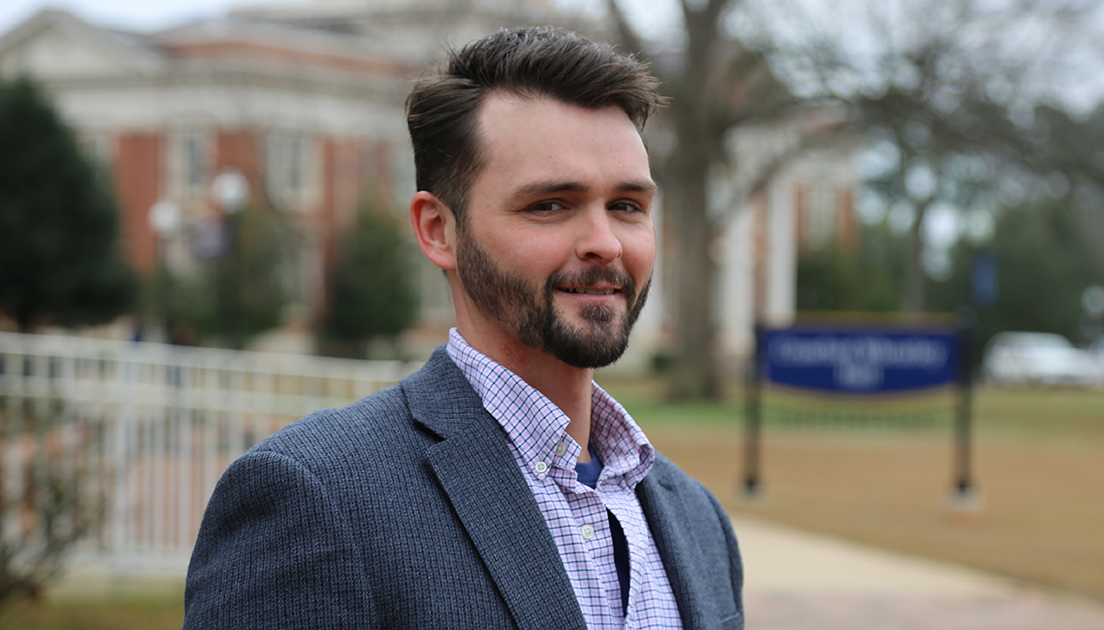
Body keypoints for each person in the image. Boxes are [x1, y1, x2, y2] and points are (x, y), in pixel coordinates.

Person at [183, 27, 743, 630]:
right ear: (437, 230)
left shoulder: (698, 522)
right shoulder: (314, 496)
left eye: (627, 206)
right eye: (550, 204)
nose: (604, 242)